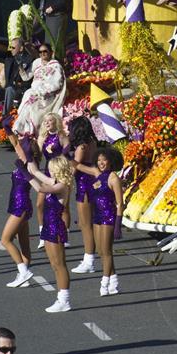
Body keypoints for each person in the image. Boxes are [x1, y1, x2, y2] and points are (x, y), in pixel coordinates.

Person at [23, 153, 73, 312]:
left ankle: (64, 300)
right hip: (48, 226)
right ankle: (61, 297)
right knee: (54, 265)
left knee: (59, 265)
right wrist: (29, 163)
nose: (49, 172)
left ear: (58, 170)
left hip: (55, 226)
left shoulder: (62, 185)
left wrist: (26, 175)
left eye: (51, 169)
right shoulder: (56, 181)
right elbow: (38, 174)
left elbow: (41, 188)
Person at [73, 147, 123, 296]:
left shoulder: (113, 178)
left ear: (110, 161)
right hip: (97, 216)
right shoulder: (96, 173)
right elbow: (78, 165)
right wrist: (62, 152)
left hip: (108, 217)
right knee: (101, 251)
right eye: (99, 160)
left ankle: (104, 282)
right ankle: (114, 280)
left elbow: (120, 203)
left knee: (107, 252)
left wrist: (118, 225)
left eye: (104, 160)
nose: (101, 163)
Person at [0, 129, 36, 288]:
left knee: (5, 240)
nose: (18, 147)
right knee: (24, 243)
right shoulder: (23, 159)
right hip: (19, 204)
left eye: (22, 146)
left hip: (20, 206)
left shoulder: (30, 165)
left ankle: (23, 271)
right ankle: (24, 275)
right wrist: (7, 128)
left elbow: (37, 183)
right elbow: (14, 142)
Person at [11, 44, 66, 137]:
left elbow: (57, 84)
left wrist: (42, 91)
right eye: (40, 52)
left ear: (50, 52)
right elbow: (26, 77)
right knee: (27, 105)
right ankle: (24, 132)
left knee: (33, 109)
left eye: (45, 51)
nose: (42, 54)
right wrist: (20, 67)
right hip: (34, 93)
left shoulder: (56, 66)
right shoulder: (37, 62)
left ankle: (34, 134)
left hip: (47, 96)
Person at [36, 114, 70, 249]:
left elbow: (67, 152)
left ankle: (65, 235)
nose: (47, 123)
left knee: (63, 206)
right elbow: (37, 154)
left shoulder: (61, 136)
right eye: (45, 121)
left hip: (61, 173)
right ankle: (42, 234)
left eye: (50, 120)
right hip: (47, 172)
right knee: (40, 204)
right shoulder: (42, 137)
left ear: (56, 122)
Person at [69, 116, 98, 274]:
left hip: (84, 185)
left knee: (85, 225)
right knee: (87, 222)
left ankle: (89, 260)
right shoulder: (93, 142)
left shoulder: (81, 147)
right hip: (91, 182)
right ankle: (89, 258)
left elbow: (76, 166)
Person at [0, 39, 33, 127]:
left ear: (21, 48)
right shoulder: (9, 57)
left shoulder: (28, 59)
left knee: (10, 89)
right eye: (10, 47)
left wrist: (20, 64)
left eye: (13, 47)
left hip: (20, 90)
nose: (11, 49)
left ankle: (4, 117)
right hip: (7, 89)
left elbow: (27, 78)